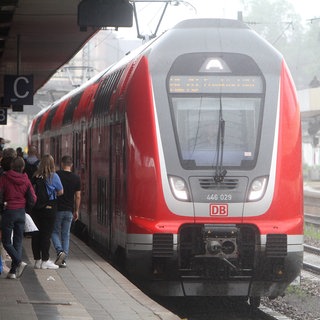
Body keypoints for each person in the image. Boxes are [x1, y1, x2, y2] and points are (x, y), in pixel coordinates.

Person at [0, 156, 37, 279]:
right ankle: (13, 272)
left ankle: (18, 262)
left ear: (12, 166)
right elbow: (33, 198)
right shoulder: (26, 180)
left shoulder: (4, 178)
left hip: (9, 212)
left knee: (6, 242)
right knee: (17, 242)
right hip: (21, 213)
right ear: (22, 167)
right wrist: (27, 208)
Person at [31, 154, 63, 270]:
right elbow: (60, 192)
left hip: (36, 209)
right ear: (52, 164)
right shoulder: (54, 176)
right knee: (46, 235)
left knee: (36, 234)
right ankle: (45, 261)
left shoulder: (35, 175)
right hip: (49, 208)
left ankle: (37, 261)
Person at [52, 155, 81, 268]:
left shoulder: (57, 175)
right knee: (66, 234)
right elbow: (78, 196)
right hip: (69, 210)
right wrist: (76, 211)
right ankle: (63, 260)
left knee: (54, 232)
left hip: (58, 209)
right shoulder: (76, 178)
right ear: (71, 165)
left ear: (62, 164)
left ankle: (59, 252)